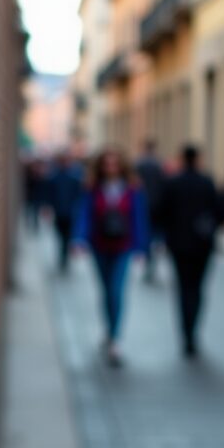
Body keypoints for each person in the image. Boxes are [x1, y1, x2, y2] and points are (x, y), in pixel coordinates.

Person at [72, 148, 149, 367]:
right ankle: (108, 328)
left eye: (115, 163)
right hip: (100, 246)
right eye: (107, 163)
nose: (111, 167)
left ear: (121, 165)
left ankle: (115, 338)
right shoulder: (92, 188)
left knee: (117, 291)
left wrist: (142, 248)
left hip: (123, 247)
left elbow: (139, 218)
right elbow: (84, 213)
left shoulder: (133, 188)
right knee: (105, 291)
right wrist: (79, 239)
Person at [158, 145, 224, 358]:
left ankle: (186, 333)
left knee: (183, 288)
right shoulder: (207, 182)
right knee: (197, 288)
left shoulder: (173, 183)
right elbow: (220, 211)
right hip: (202, 244)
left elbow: (161, 212)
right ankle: (193, 332)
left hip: (179, 244)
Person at [134, 140, 166, 283]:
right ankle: (152, 261)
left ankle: (148, 260)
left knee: (145, 234)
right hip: (157, 205)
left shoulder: (139, 164)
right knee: (155, 235)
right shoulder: (159, 165)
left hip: (143, 205)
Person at [47, 152, 84, 274]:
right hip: (59, 212)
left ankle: (64, 258)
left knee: (67, 237)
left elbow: (79, 195)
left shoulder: (75, 178)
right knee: (61, 237)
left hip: (70, 213)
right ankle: (63, 257)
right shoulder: (54, 177)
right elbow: (49, 195)